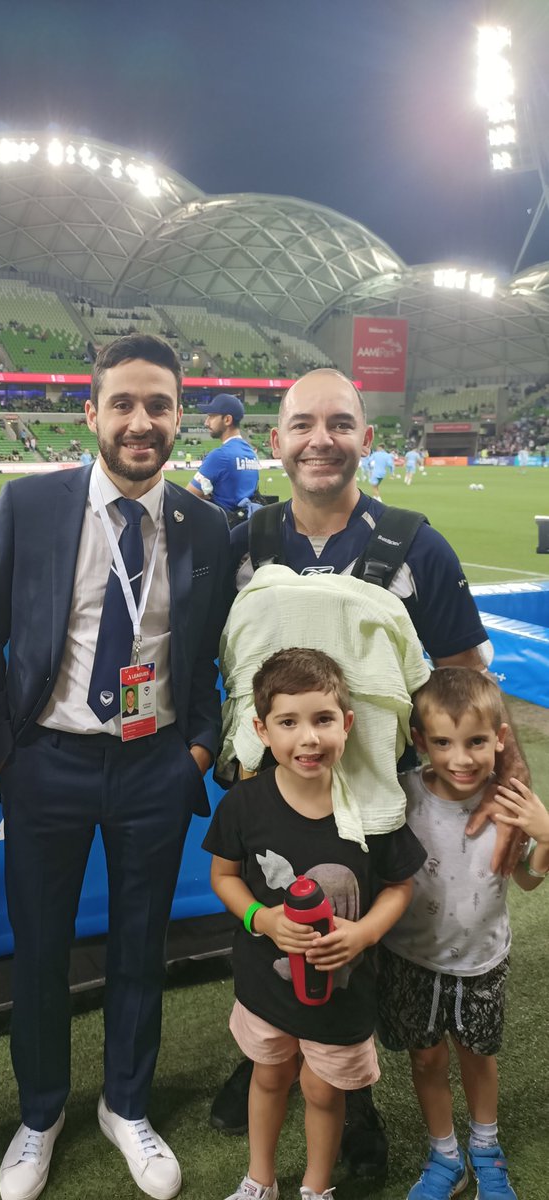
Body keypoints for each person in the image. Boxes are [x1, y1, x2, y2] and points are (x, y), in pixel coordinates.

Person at [220, 368, 530, 1174]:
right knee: (269, 922)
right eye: (303, 424)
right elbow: (206, 659)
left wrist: (511, 788)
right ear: (278, 440)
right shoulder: (243, 545)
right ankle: (259, 1058)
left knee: (358, 947)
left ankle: (354, 1105)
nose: (321, 439)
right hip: (273, 790)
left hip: (374, 796)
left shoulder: (416, 541)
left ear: (366, 437)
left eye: (340, 423)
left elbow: (470, 677)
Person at [0, 332, 230, 1200]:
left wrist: (194, 746)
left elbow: (208, 654)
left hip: (155, 765)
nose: (141, 421)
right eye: (123, 402)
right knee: (41, 950)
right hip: (48, 763)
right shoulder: (32, 505)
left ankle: (127, 1105)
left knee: (140, 948)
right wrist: (5, 757)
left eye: (159, 404)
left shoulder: (206, 525)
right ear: (92, 413)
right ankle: (39, 1114)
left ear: (180, 416)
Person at [204, 649, 424, 1200]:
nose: (308, 738)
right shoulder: (245, 805)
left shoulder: (371, 808)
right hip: (266, 987)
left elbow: (401, 885)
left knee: (325, 1093)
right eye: (288, 722)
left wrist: (365, 933)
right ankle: (260, 1180)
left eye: (323, 720)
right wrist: (263, 918)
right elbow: (225, 877)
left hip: (342, 997)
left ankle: (316, 1188)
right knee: (269, 1077)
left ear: (347, 724)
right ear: (261, 730)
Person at [378, 668, 548, 1200]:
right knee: (426, 1057)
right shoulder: (402, 798)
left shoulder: (512, 804)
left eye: (476, 741)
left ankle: (486, 1152)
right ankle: (445, 1156)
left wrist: (544, 834)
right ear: (420, 741)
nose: (461, 758)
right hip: (410, 957)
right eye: (444, 742)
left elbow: (525, 879)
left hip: (481, 961)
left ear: (499, 739)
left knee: (478, 1056)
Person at [186, 393, 259, 526]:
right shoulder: (251, 453)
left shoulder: (219, 456)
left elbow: (187, 497)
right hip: (245, 527)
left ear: (227, 420)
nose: (206, 422)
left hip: (223, 531)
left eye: (211, 416)